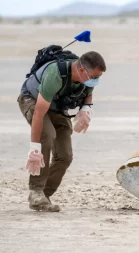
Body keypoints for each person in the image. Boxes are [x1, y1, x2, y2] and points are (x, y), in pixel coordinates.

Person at [17, 51, 106, 212]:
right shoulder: (55, 76)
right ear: (81, 70)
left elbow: (88, 94)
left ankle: (43, 195)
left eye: (98, 77)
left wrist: (86, 109)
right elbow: (39, 113)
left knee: (65, 155)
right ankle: (36, 191)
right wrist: (34, 148)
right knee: (47, 135)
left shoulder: (86, 78)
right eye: (94, 77)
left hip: (56, 107)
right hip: (33, 101)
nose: (96, 81)